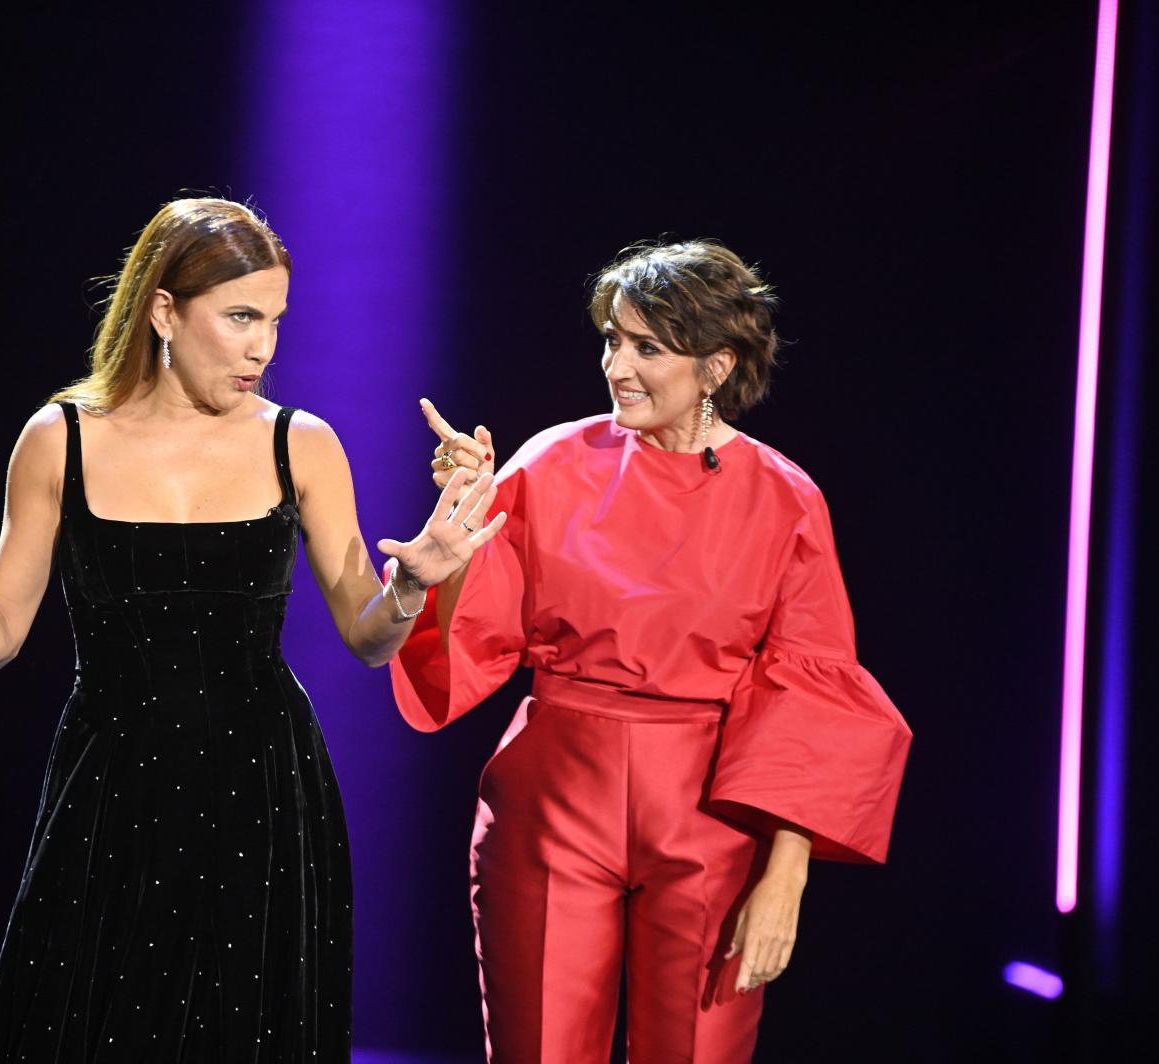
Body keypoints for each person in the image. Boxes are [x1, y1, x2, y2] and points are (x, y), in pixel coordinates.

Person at [0, 197, 503, 1062]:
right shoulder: (59, 438)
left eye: (276, 321)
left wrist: (416, 581)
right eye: (241, 318)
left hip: (264, 788)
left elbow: (369, 639)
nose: (264, 347)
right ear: (164, 311)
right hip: (113, 786)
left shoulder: (304, 444)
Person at [389, 240, 912, 1062]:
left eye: (647, 347)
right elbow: (478, 632)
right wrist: (461, 536)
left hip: (712, 812)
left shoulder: (785, 497)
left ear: (716, 367)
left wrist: (787, 877)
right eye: (611, 339)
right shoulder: (554, 461)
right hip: (555, 795)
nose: (616, 366)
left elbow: (812, 690)